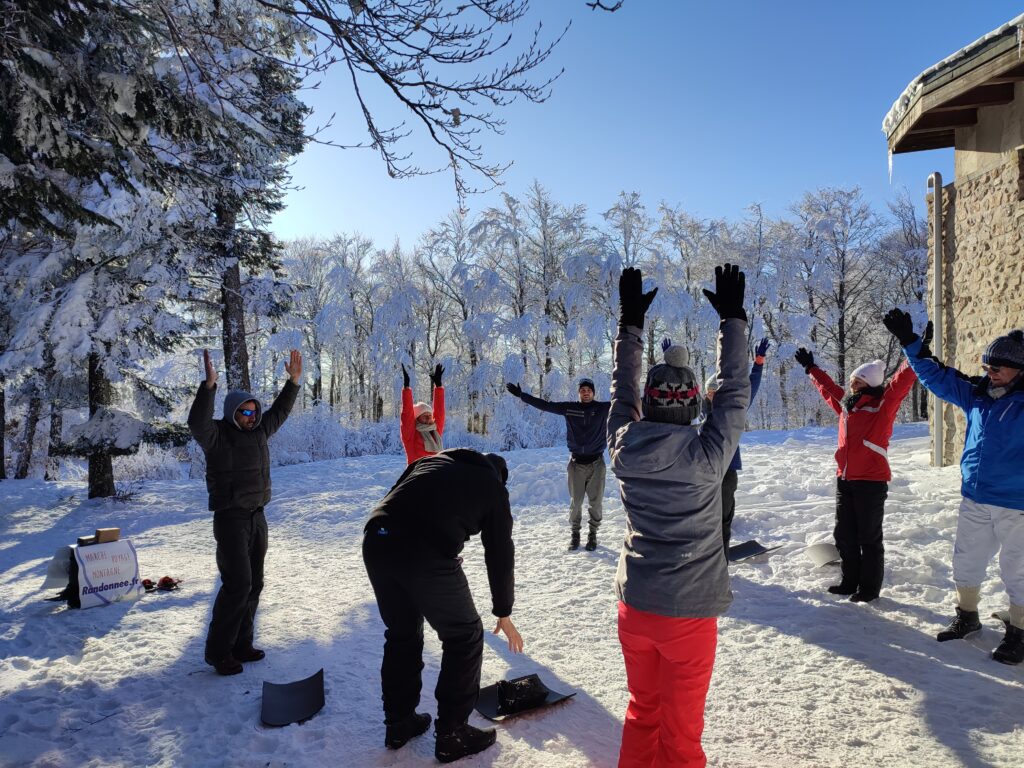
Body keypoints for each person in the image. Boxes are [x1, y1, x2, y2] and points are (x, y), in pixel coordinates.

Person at [609, 263, 750, 768]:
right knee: (683, 732)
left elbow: (620, 392)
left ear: (647, 404)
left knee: (642, 710)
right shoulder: (708, 456)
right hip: (688, 614)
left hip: (637, 607)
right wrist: (732, 321)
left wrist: (630, 326)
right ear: (695, 407)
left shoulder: (623, 448)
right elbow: (735, 391)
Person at [362, 449, 523, 762]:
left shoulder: (432, 461)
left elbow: (402, 500)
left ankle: (399, 724)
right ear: (500, 476)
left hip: (377, 540)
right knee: (464, 635)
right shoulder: (493, 486)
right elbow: (500, 552)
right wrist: (503, 610)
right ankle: (453, 734)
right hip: (425, 551)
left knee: (402, 632)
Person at [884, 311, 1024, 665]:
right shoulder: (979, 394)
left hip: (1017, 503)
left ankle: (1019, 633)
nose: (989, 373)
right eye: (987, 365)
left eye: (997, 368)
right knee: (966, 560)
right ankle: (967, 616)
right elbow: (937, 376)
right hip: (976, 496)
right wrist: (910, 343)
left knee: (1018, 569)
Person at [187, 348, 301, 676]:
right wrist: (208, 388)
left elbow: (280, 411)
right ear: (232, 413)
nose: (251, 418)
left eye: (254, 413)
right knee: (238, 583)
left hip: (257, 516)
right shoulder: (217, 437)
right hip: (231, 518)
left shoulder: (262, 430)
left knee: (255, 583)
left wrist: (293, 383)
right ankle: (218, 652)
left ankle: (241, 644)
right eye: (245, 413)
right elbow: (197, 423)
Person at [793, 341, 916, 604]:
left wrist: (914, 352)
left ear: (870, 384)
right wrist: (812, 368)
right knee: (844, 535)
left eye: (858, 381)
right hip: (845, 478)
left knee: (868, 538)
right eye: (852, 381)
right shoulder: (847, 406)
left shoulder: (882, 406)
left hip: (871, 481)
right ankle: (849, 581)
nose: (852, 385)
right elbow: (830, 391)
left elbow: (901, 384)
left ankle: (869, 589)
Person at [505, 377, 611, 551]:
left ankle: (593, 534)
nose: (586, 392)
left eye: (589, 390)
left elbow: (625, 401)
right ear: (579, 393)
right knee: (575, 502)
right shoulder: (570, 408)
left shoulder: (602, 408)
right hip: (576, 464)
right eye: (583, 390)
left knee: (596, 502)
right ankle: (575, 534)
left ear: (593, 392)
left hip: (596, 463)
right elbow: (545, 405)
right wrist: (522, 396)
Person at [703, 336, 770, 553]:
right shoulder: (696, 412)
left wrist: (758, 364)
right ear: (707, 393)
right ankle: (704, 558)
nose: (716, 395)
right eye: (712, 392)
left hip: (727, 470)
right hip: (702, 471)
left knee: (723, 518)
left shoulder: (734, 411)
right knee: (702, 518)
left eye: (720, 392)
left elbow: (750, 388)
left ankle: (720, 559)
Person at [400, 362, 445, 464]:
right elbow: (407, 415)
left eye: (430, 416)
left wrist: (439, 387)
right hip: (416, 475)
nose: (429, 418)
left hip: (435, 473)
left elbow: (440, 412)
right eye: (425, 416)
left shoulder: (435, 431)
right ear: (417, 419)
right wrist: (406, 388)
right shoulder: (411, 434)